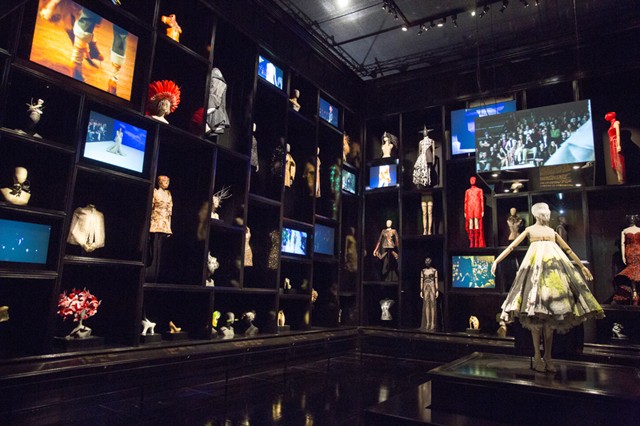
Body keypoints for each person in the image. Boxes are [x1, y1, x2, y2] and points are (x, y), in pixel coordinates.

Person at [491, 202, 604, 373]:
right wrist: (497, 261)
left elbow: (567, 249)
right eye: (545, 212)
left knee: (549, 321)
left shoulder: (552, 232)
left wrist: (582, 267)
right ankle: (537, 356)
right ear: (538, 214)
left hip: (553, 274)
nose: (547, 215)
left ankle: (548, 357)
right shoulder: (530, 230)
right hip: (534, 273)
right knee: (535, 318)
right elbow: (512, 246)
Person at [613, 214, 640, 305]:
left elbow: (622, 244)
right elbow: (622, 244)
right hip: (631, 253)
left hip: (636, 252)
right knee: (632, 272)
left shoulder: (631, 230)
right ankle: (634, 291)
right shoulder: (625, 231)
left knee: (635, 272)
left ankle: (635, 291)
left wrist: (623, 255)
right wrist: (623, 256)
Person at [464, 176, 485, 248]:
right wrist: (465, 211)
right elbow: (465, 201)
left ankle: (476, 242)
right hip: (470, 208)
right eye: (471, 180)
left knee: (476, 223)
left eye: (473, 180)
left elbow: (482, 200)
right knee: (471, 223)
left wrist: (482, 210)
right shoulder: (467, 191)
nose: (472, 181)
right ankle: (471, 242)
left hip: (477, 207)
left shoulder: (479, 190)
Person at [605, 112, 625, 184]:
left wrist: (618, 145)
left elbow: (618, 135)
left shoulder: (616, 123)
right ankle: (619, 179)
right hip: (612, 143)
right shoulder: (611, 125)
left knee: (618, 160)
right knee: (615, 161)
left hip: (615, 142)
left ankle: (621, 179)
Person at [420, 258, 438, 331]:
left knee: (432, 305)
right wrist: (421, 290)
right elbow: (421, 280)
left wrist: (437, 290)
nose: (427, 262)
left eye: (428, 261)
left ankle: (433, 323)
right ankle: (427, 322)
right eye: (426, 261)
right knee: (426, 305)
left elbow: (436, 280)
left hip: (432, 287)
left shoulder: (434, 270)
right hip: (425, 287)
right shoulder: (423, 271)